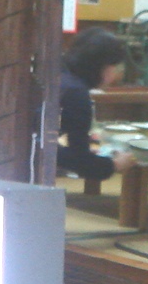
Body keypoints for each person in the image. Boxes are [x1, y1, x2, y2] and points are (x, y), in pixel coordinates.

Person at [58, 28, 137, 180]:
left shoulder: (61, 76)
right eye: (116, 67)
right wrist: (115, 164)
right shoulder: (77, 94)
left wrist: (88, 156)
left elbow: (69, 152)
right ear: (104, 67)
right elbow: (80, 163)